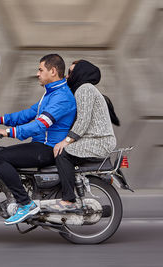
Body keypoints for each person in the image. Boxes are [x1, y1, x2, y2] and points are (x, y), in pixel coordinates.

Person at [0, 54, 76, 225]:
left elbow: (40, 125)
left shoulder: (62, 97)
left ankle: (25, 204)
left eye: (40, 69)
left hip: (47, 148)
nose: (37, 73)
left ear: (53, 71)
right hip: (40, 144)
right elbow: (28, 114)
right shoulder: (51, 93)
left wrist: (6, 132)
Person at [51, 60, 117, 211]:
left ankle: (68, 199)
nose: (67, 76)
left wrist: (66, 141)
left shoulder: (85, 89)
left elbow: (83, 120)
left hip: (99, 141)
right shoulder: (83, 89)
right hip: (93, 139)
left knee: (63, 153)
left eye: (71, 72)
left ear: (81, 73)